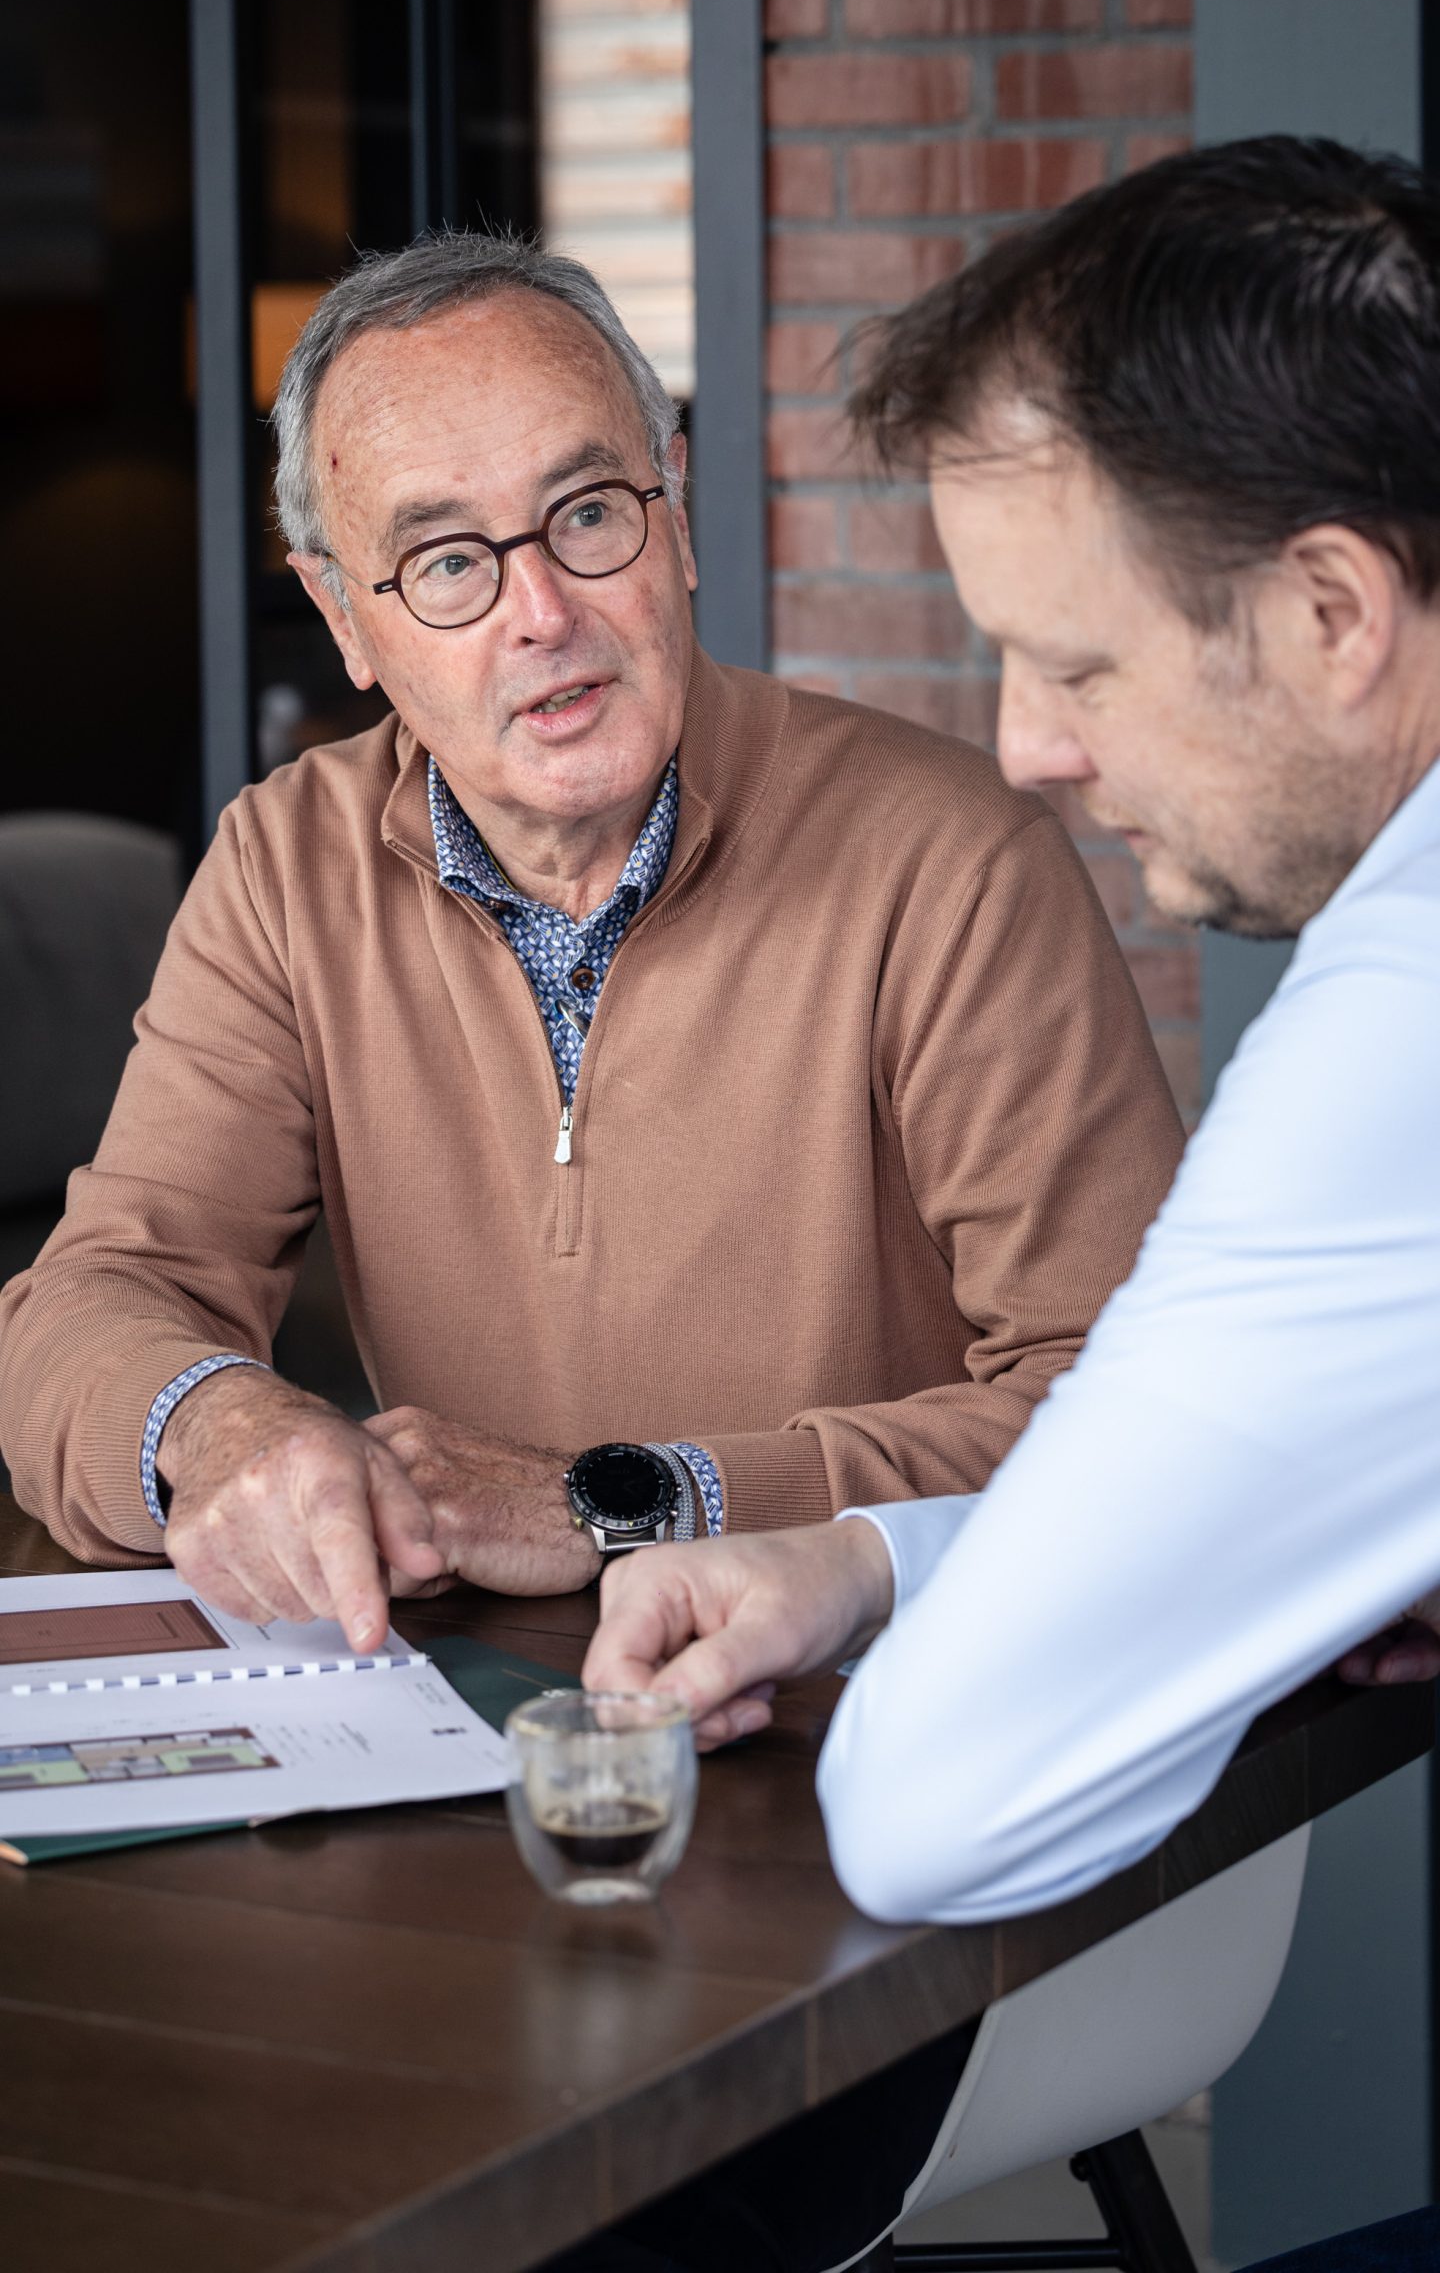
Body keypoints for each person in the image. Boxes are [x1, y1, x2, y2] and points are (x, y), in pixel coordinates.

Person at [576, 136, 1440, 2272]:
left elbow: (934, 1804)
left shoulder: (1402, 1025)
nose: (1026, 745)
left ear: (1334, 615)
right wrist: (875, 1561)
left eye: (1074, 661)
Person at [0, 234, 1180, 1652]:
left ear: (674, 515)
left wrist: (626, 1502)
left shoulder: (953, 860)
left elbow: (1135, 1411)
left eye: (589, 515)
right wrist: (220, 1423)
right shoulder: (284, 868)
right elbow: (92, 1305)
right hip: (489, 1724)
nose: (543, 614)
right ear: (342, 617)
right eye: (447, 562)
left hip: (888, 1693)